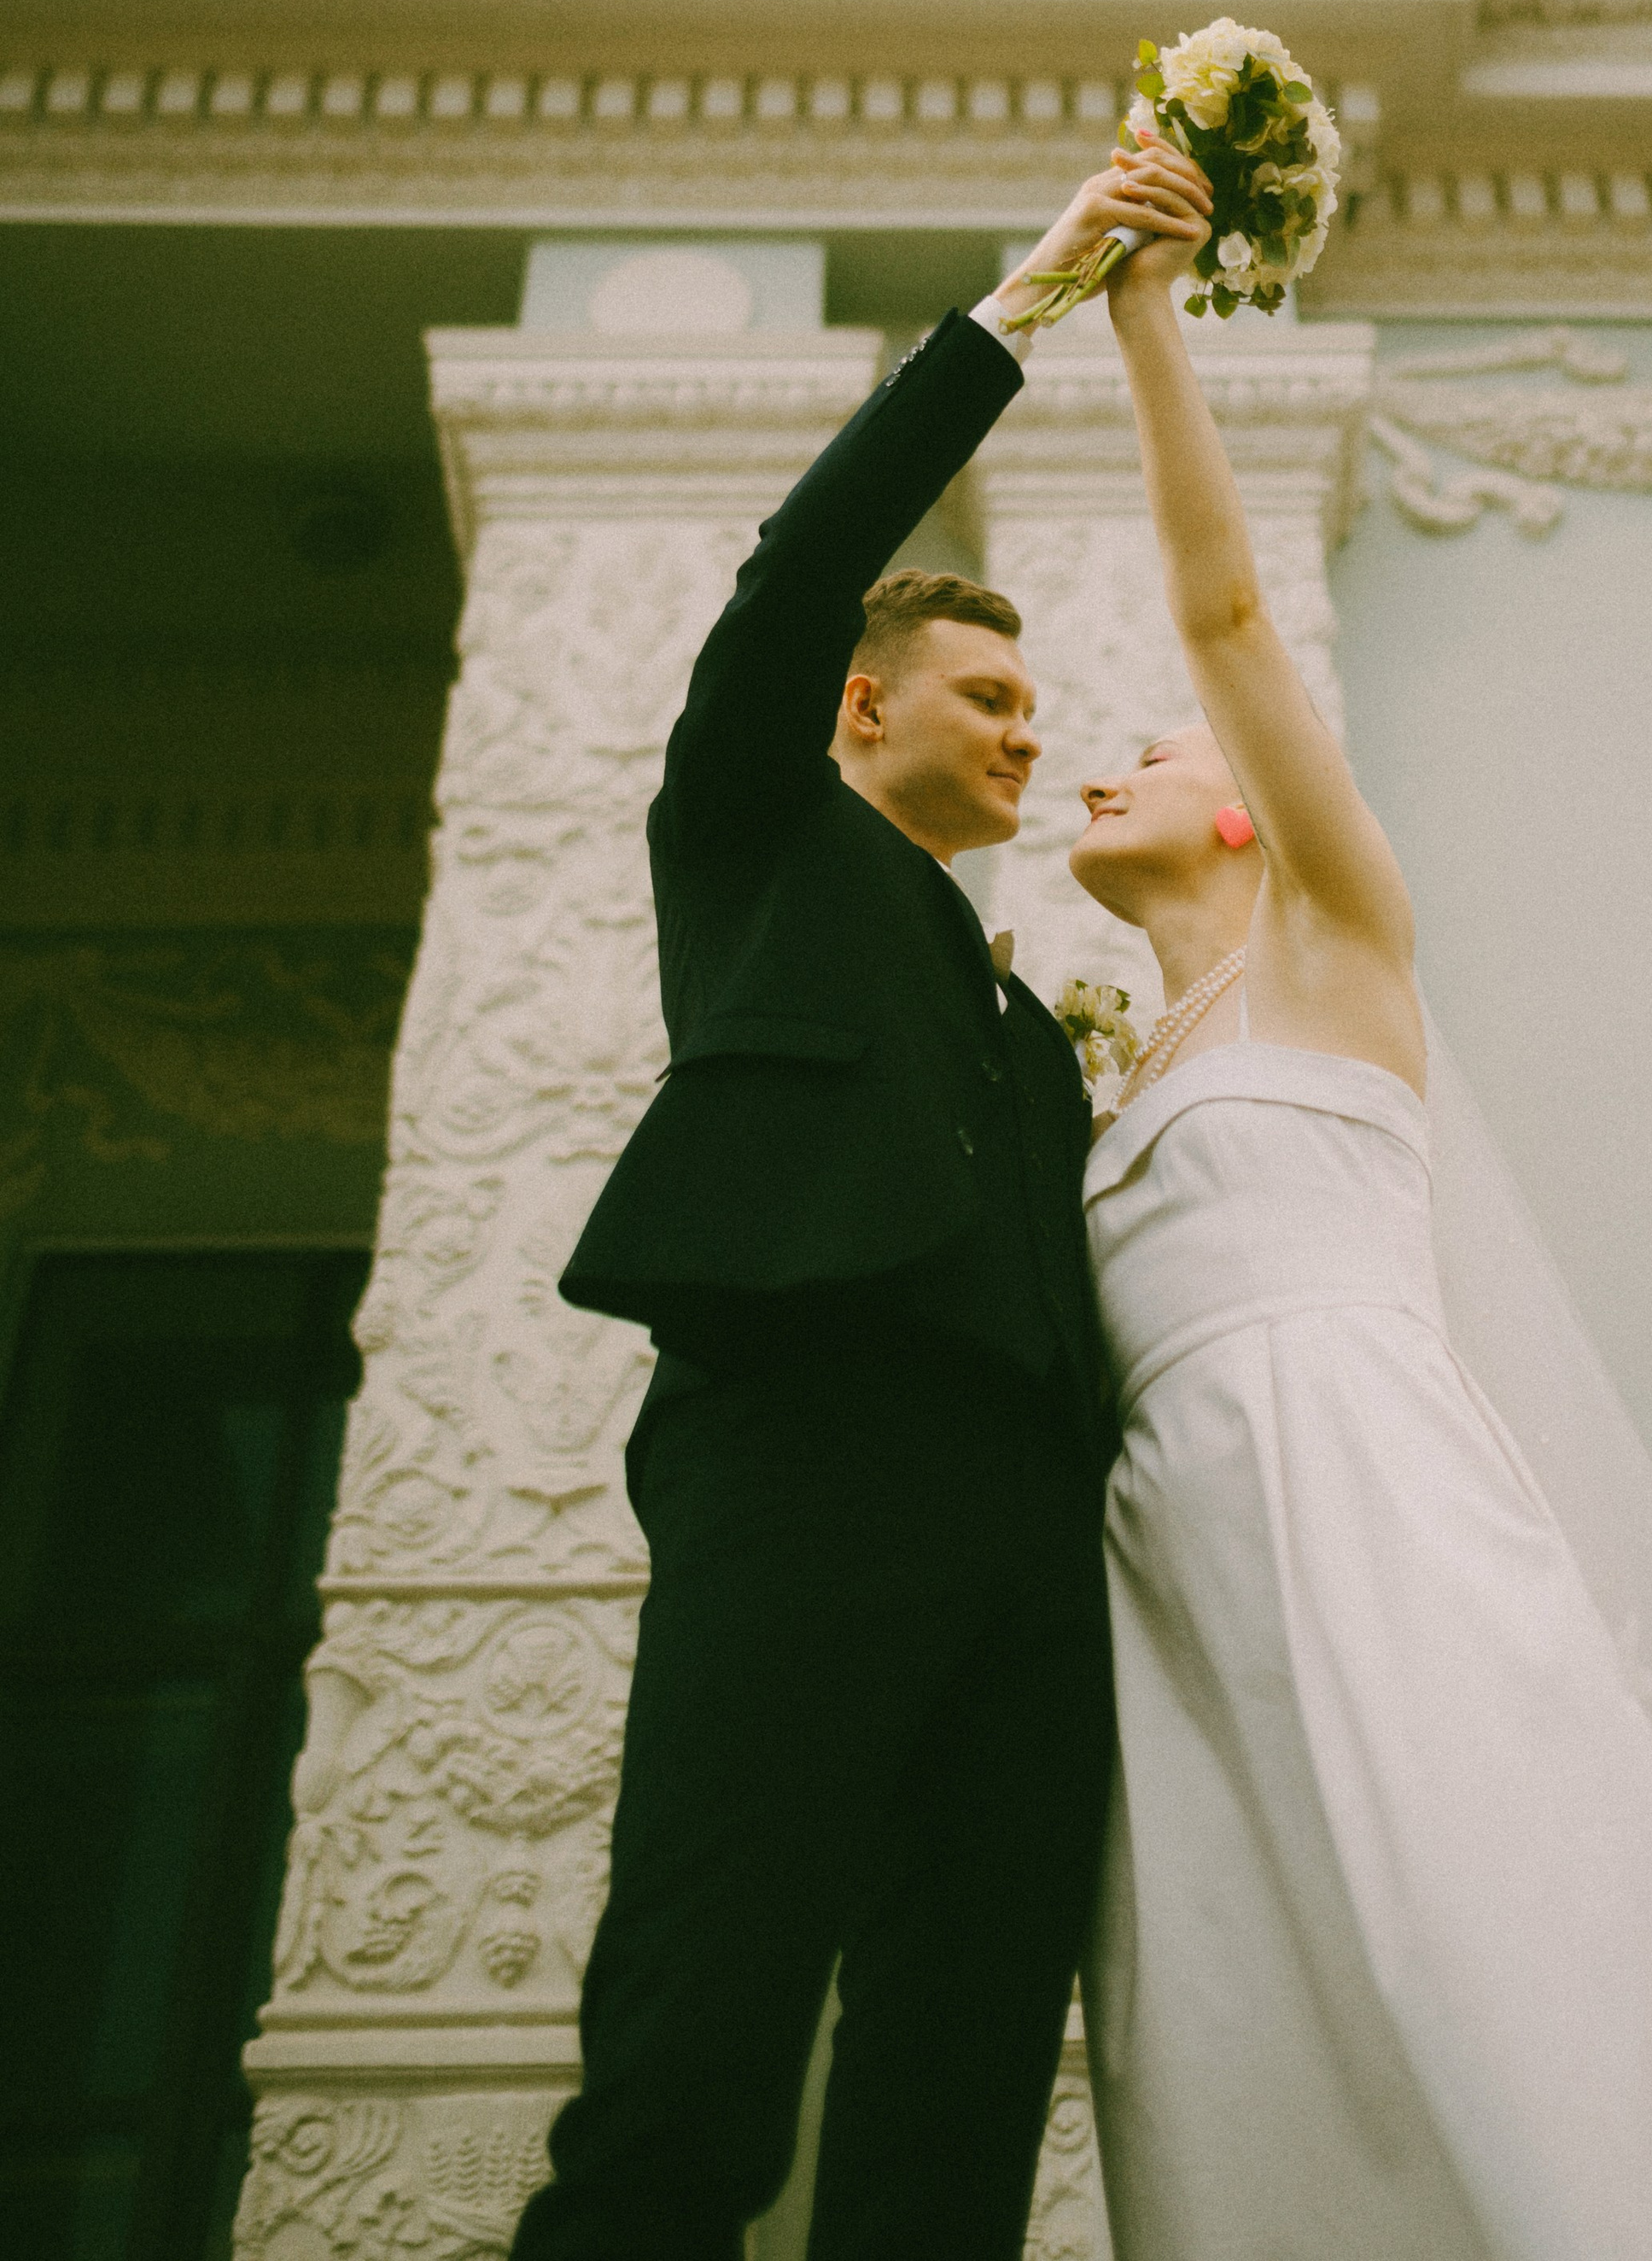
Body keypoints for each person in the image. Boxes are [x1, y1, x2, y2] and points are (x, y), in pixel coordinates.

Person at [1068, 206, 1652, 2261]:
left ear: (1256, 807)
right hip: (1167, 1568)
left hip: (1362, 1492)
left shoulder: (1340, 950)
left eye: (1153, 754)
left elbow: (1227, 608)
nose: (1108, 764)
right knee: (1244, 2013)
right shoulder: (1099, 1077)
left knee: (1487, 1948)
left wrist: (1142, 319)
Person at [508, 132, 1215, 2261]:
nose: (1025, 737)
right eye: (987, 697)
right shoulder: (750, 830)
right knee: (700, 2048)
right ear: (857, 704)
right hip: (805, 1462)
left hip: (1030, 1537)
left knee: (966, 2076)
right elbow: (799, 557)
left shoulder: (1018, 1013)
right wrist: (1029, 300)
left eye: (1030, 704)